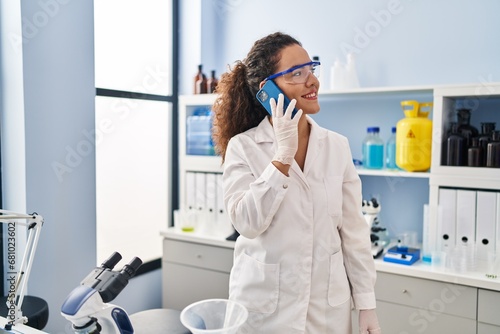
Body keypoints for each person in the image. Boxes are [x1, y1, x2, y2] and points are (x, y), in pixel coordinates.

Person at [212, 31, 381, 334]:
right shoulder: (244, 147)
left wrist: (366, 305)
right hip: (264, 313)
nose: (313, 81)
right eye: (297, 73)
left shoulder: (337, 146)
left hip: (326, 311)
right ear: (268, 90)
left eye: (312, 69)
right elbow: (247, 223)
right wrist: (282, 157)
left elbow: (354, 232)